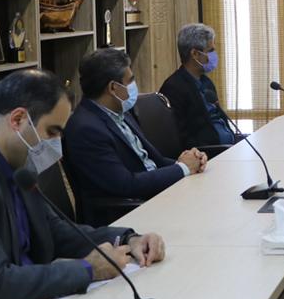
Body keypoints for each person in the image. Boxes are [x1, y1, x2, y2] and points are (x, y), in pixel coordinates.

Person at [0, 69, 166, 299]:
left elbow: (56, 231)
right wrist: (87, 270)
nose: (56, 143)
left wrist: (128, 239)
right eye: (52, 131)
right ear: (18, 119)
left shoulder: (13, 162)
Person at [63, 49, 206, 202]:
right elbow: (125, 184)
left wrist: (191, 161)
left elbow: (154, 161)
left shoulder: (121, 111)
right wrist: (182, 168)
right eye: (130, 80)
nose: (133, 86)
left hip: (157, 193)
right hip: (132, 207)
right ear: (113, 88)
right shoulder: (86, 129)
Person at [159, 23, 236, 152]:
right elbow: (181, 138)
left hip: (229, 149)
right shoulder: (174, 88)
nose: (214, 55)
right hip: (208, 154)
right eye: (210, 51)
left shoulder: (206, 82)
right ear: (195, 53)